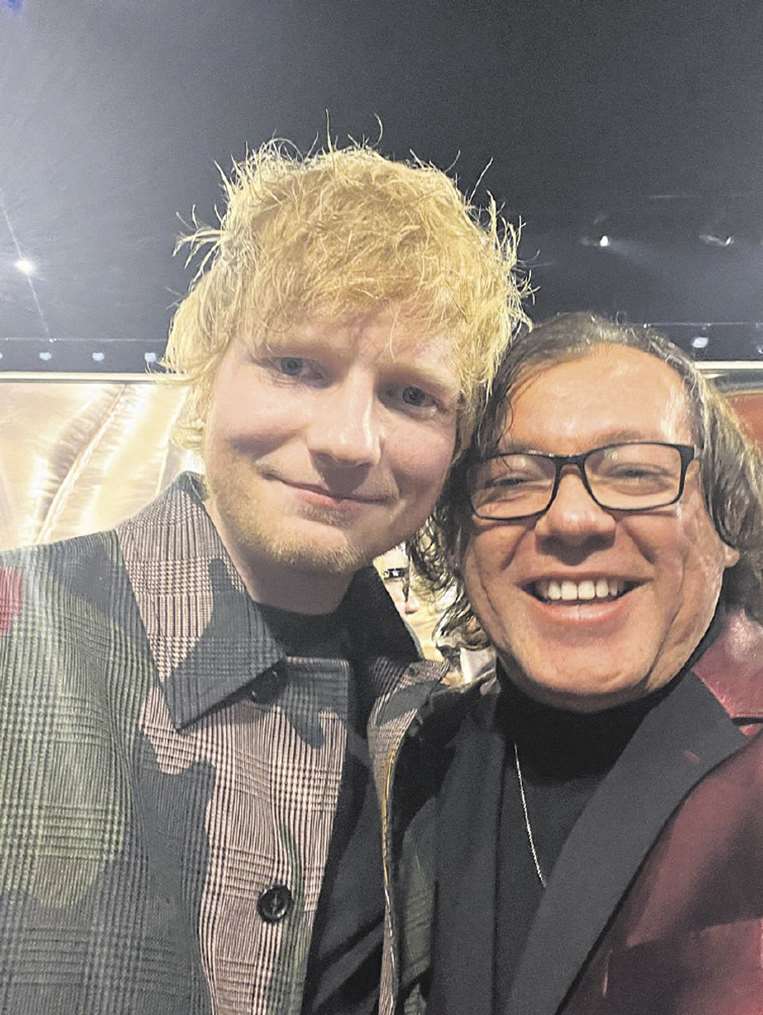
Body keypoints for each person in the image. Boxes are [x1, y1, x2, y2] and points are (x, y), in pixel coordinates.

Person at [0, 139, 528, 1015]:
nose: (348, 439)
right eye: (296, 365)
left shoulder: (435, 737)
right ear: (209, 369)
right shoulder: (20, 638)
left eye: (410, 395)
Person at [381, 312, 763, 1015]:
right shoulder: (416, 765)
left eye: (634, 472)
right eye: (511, 480)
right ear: (459, 539)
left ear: (726, 518)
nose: (571, 520)